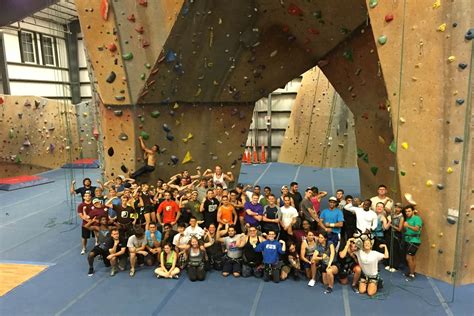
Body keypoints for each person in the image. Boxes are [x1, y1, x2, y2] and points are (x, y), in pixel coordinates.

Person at [403, 205, 422, 281]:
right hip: (408, 239)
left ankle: (412, 274)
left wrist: (408, 225)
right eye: (406, 211)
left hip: (414, 240)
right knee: (412, 258)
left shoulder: (417, 218)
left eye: (409, 211)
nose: (407, 213)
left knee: (409, 257)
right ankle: (412, 272)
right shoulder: (408, 219)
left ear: (413, 211)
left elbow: (417, 229)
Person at [385, 202, 404, 272]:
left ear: (401, 209)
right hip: (389, 233)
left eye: (399, 207)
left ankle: (395, 266)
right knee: (389, 249)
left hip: (396, 235)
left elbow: (400, 229)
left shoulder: (401, 217)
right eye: (396, 207)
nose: (397, 209)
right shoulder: (392, 214)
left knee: (395, 250)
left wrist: (391, 225)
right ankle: (389, 264)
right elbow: (385, 208)